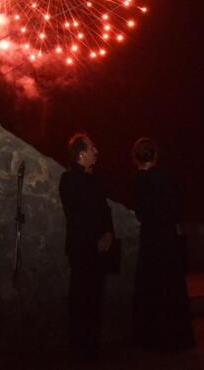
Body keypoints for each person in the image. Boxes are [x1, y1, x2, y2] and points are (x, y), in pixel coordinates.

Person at [130, 137, 195, 351]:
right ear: (155, 156)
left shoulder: (137, 181)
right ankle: (176, 336)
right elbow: (176, 206)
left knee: (150, 288)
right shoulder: (165, 179)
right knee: (171, 287)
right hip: (166, 238)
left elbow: (139, 210)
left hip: (150, 239)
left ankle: (150, 338)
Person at [59, 132, 114, 361]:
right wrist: (97, 238)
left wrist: (109, 232)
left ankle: (91, 347)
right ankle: (79, 350)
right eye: (92, 148)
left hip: (97, 249)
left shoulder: (93, 179)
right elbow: (78, 216)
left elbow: (104, 210)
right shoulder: (69, 180)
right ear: (82, 154)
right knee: (81, 299)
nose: (96, 151)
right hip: (83, 249)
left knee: (95, 298)